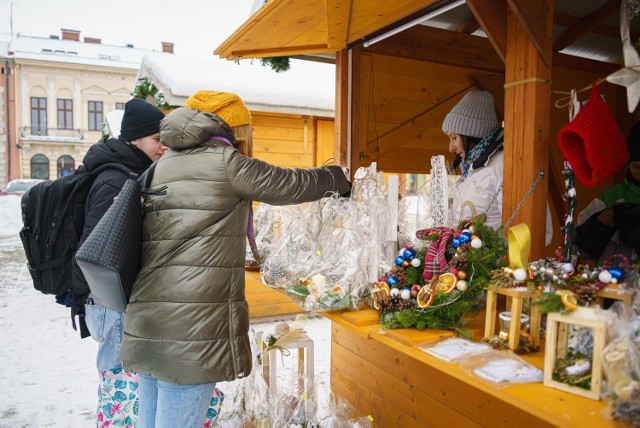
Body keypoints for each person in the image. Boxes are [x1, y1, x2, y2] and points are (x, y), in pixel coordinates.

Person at [119, 91, 351, 427]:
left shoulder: (161, 166)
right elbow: (288, 183)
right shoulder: (225, 162)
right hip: (191, 327)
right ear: (235, 128)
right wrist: (337, 179)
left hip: (147, 318)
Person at [64, 98, 166, 423]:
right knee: (121, 393)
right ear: (135, 139)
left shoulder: (130, 172)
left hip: (111, 301)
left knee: (123, 391)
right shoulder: (117, 180)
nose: (163, 146)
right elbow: (94, 250)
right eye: (156, 139)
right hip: (112, 303)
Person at [443, 90, 552, 245]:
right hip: (470, 264)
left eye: (454, 138)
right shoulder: (471, 169)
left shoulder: (506, 166)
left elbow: (528, 230)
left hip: (497, 267)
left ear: (472, 134)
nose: (451, 148)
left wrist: (491, 256)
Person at [575, 122, 640, 266]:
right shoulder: (613, 197)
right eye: (637, 167)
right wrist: (600, 225)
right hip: (611, 280)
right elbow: (581, 247)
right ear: (628, 167)